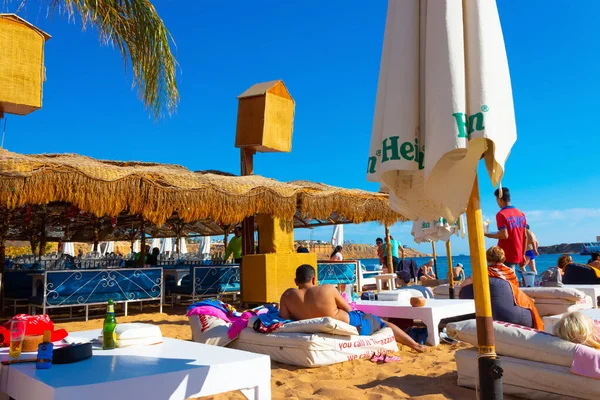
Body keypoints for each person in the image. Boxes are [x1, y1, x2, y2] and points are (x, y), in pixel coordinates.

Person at [279, 265, 426, 352]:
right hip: (354, 324)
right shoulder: (327, 289)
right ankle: (415, 345)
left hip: (315, 328)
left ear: (295, 281)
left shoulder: (286, 295)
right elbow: (349, 309)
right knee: (383, 323)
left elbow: (285, 321)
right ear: (313, 279)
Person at [460, 246, 543, 330]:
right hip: (517, 309)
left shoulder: (484, 272)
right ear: (504, 258)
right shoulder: (510, 272)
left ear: (487, 259)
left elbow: (464, 284)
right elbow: (515, 290)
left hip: (494, 313)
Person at [484, 187, 528, 272]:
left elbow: (504, 235)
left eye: (496, 200)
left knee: (506, 280)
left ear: (499, 199)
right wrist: (523, 254)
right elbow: (525, 236)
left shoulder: (501, 214)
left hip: (506, 254)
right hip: (518, 253)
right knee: (511, 276)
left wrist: (486, 234)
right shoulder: (521, 213)